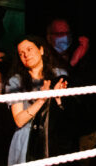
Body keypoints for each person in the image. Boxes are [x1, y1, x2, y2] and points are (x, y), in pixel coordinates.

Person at [4, 36, 69, 165]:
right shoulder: (16, 81)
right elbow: (19, 120)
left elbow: (68, 114)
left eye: (29, 49)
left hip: (54, 136)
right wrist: (41, 99)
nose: (26, 55)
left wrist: (58, 99)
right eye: (21, 53)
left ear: (41, 50)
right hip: (27, 140)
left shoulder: (59, 74)